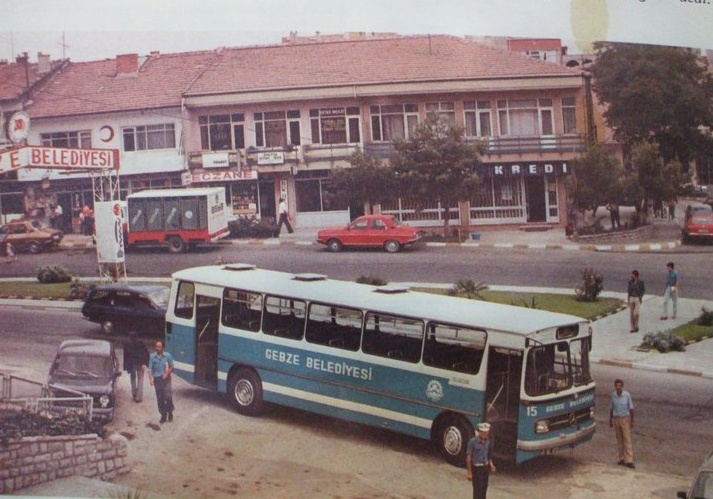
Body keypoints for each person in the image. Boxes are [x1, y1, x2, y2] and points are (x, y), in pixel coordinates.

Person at [609, 379, 635, 469]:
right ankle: (621, 458)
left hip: (625, 419)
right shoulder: (613, 396)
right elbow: (611, 409)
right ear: (615, 386)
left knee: (627, 439)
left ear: (622, 387)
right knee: (619, 439)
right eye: (617, 386)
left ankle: (629, 460)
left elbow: (631, 408)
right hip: (616, 419)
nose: (618, 387)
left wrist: (632, 420)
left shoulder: (627, 395)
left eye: (620, 386)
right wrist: (610, 420)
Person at [466, 422, 496, 499]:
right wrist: (469, 472)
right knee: (477, 489)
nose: (484, 434)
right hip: (476, 468)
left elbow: (488, 455)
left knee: (484, 489)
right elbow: (468, 457)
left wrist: (491, 464)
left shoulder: (488, 441)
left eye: (485, 432)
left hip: (485, 468)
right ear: (478, 431)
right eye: (482, 432)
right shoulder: (472, 442)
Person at [147, 340, 175, 423]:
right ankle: (163, 415)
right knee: (160, 398)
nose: (157, 348)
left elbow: (172, 367)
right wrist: (150, 379)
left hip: (166, 378)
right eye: (156, 347)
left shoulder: (168, 356)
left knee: (168, 396)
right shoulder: (152, 357)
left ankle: (170, 411)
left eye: (159, 347)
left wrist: (167, 373)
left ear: (163, 348)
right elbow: (150, 369)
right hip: (157, 379)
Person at [123, 330, 149, 403]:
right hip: (140, 363)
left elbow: (126, 356)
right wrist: (146, 363)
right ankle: (139, 397)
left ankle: (134, 394)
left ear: (130, 337)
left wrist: (126, 367)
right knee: (140, 379)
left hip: (132, 364)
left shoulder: (127, 344)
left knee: (133, 379)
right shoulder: (141, 343)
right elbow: (146, 353)